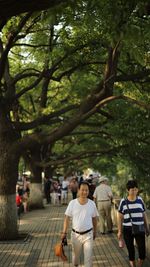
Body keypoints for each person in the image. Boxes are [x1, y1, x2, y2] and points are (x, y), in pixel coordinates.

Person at [61, 181, 99, 267]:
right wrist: (64, 232)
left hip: (88, 235)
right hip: (75, 235)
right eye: (82, 190)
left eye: (86, 190)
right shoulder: (72, 203)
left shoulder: (92, 204)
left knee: (88, 260)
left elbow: (94, 219)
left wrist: (95, 231)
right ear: (78, 190)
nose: (85, 192)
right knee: (75, 259)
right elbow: (66, 218)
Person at [117, 179, 150, 267]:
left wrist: (147, 228)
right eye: (132, 190)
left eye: (136, 189)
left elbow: (144, 215)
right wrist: (119, 231)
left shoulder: (140, 200)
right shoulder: (123, 202)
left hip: (140, 227)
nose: (134, 191)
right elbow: (120, 217)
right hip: (127, 229)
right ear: (128, 190)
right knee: (131, 251)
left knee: (142, 252)